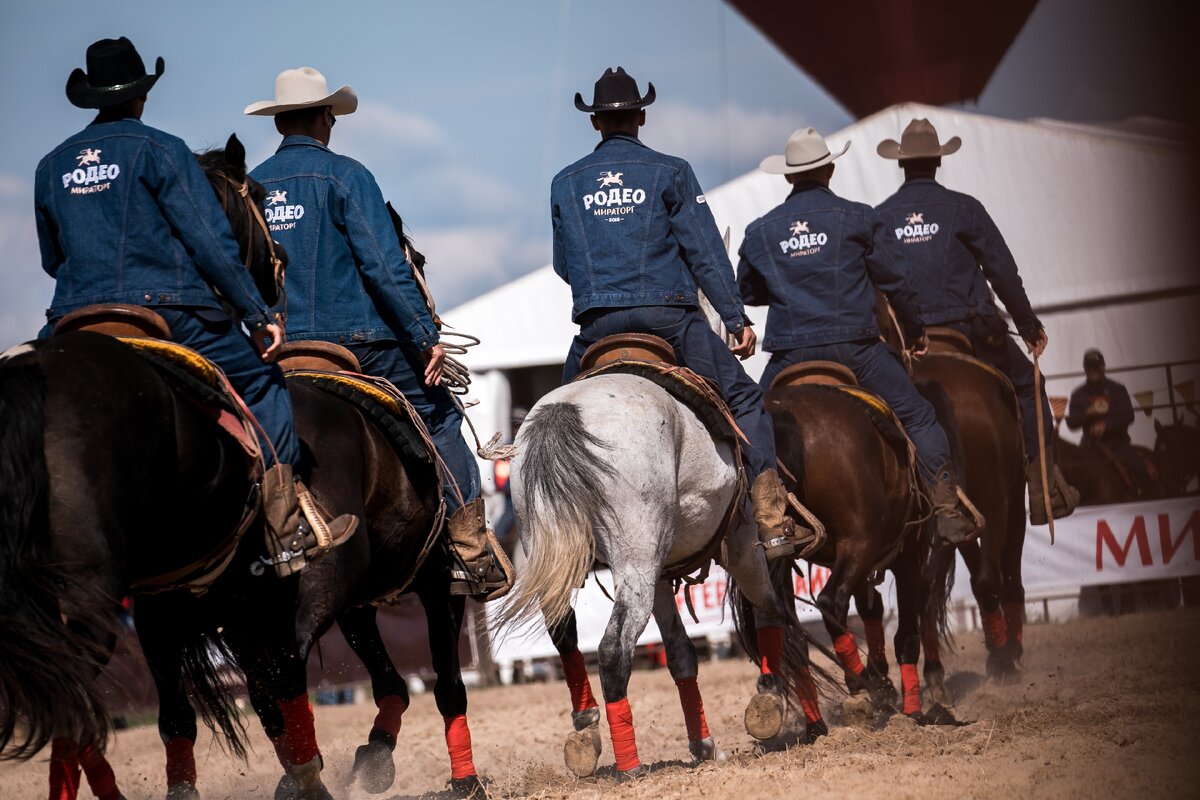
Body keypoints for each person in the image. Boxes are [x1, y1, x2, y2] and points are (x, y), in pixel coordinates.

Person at [34, 37, 355, 574]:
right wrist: (257, 315)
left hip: (71, 317)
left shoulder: (51, 166)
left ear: (92, 99)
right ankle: (283, 528)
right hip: (167, 310)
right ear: (141, 96)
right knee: (264, 385)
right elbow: (212, 244)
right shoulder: (162, 150)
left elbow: (52, 258)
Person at [245, 67, 509, 599]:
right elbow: (384, 267)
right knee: (438, 418)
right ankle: (471, 550)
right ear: (326, 118)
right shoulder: (348, 176)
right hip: (359, 343)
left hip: (279, 348)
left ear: (278, 124)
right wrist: (423, 336)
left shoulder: (252, 186)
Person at [552, 66, 814, 559]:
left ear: (595, 123)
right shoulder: (671, 171)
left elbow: (564, 266)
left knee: (551, 424)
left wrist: (605, 291)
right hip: (669, 319)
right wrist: (735, 319)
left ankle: (567, 535)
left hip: (597, 328)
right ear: (642, 116)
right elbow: (706, 253)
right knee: (746, 403)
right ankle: (772, 519)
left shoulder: (565, 183)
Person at [737, 127, 980, 544]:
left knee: (750, 429)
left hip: (789, 355)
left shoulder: (761, 231)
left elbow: (747, 290)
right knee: (919, 415)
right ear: (829, 169)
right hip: (857, 351)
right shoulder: (860, 218)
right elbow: (896, 282)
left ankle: (756, 523)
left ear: (788, 177)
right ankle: (943, 507)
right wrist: (917, 329)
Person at [874, 118, 1080, 524]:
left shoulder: (879, 218)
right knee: (1030, 384)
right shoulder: (964, 208)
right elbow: (1001, 270)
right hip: (970, 331)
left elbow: (871, 288)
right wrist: (1028, 325)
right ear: (937, 162)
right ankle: (1043, 491)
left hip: (907, 344)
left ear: (901, 165)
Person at [1067, 349, 1154, 494]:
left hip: (1118, 443)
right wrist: (1087, 413)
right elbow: (1071, 423)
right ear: (1085, 369)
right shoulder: (1078, 394)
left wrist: (1107, 425)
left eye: (1097, 366)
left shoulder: (1118, 389)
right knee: (1073, 471)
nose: (1093, 370)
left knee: (1137, 467)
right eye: (1090, 366)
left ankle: (1152, 498)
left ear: (1103, 366)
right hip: (1090, 444)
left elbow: (1128, 415)